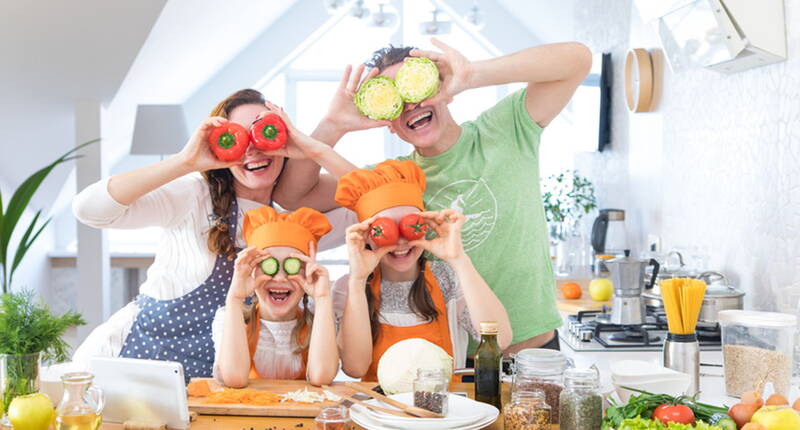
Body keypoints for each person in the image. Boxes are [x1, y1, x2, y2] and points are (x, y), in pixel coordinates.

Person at [280, 39, 593, 354]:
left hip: (532, 351)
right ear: (388, 123)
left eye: (416, 88)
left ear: (441, 88)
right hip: (447, 362)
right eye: (396, 101)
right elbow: (293, 194)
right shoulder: (394, 180)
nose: (411, 104)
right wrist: (333, 125)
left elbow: (577, 60)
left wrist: (473, 74)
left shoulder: (505, 129)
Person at [71, 89, 355, 378]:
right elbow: (89, 209)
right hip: (135, 358)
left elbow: (376, 206)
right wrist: (185, 161)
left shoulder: (293, 224)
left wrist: (317, 144)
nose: (252, 150)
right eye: (237, 138)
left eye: (264, 133)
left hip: (211, 384)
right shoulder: (194, 195)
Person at [332, 160, 512, 379]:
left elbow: (500, 339)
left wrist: (459, 260)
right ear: (367, 236)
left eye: (410, 227)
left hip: (444, 408)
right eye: (385, 230)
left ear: (425, 225)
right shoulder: (348, 287)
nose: (400, 242)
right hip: (379, 410)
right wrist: (358, 280)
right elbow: (355, 368)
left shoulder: (447, 277)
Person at [213, 206, 338, 387]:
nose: (279, 278)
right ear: (252, 271)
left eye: (292, 265)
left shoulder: (320, 319)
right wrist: (234, 298)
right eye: (268, 265)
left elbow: (321, 378)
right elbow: (234, 378)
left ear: (308, 272)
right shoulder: (230, 317)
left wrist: (323, 297)